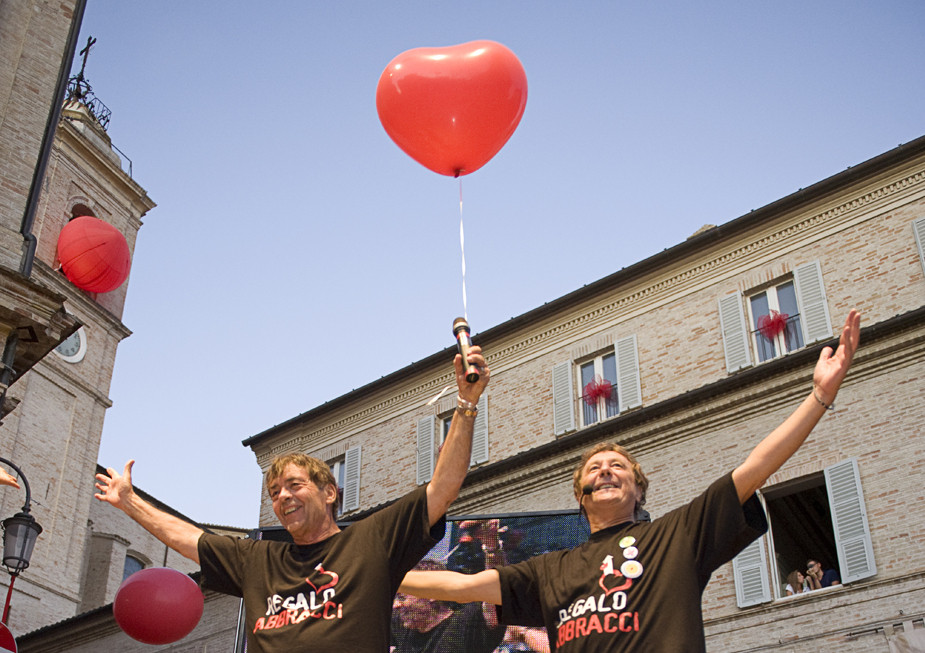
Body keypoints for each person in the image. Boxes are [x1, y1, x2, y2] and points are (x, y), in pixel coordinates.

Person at [400, 310, 861, 652]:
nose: (605, 470)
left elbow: (756, 467)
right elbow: (463, 586)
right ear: (580, 495)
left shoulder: (676, 537)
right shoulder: (550, 571)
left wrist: (819, 396)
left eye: (618, 466)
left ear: (639, 490)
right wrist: (385, 578)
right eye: (594, 468)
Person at [95, 346, 490, 653]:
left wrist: (466, 404)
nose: (283, 496)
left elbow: (442, 487)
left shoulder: (372, 541)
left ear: (330, 492)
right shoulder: (257, 561)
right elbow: (189, 539)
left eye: (295, 485)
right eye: (274, 492)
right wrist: (129, 502)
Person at [391, 560, 505, 653]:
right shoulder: (401, 625)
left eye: (402, 597)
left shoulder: (465, 625)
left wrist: (492, 549)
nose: (396, 605)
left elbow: (496, 590)